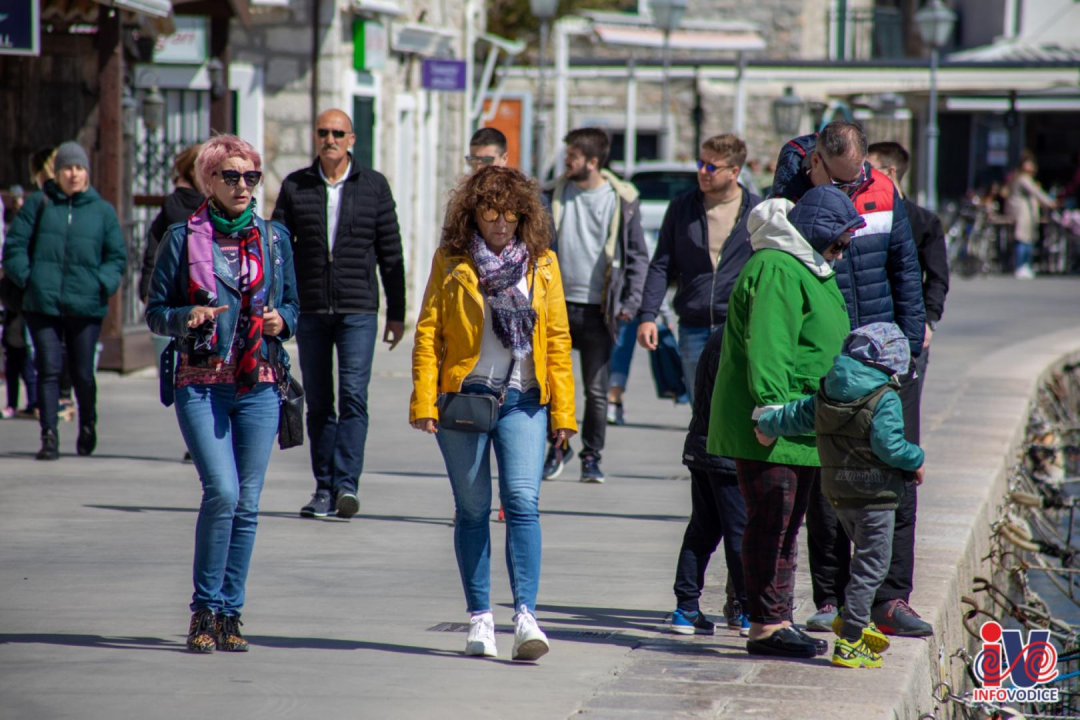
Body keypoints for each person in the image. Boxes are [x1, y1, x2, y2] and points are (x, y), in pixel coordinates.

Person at [410, 166, 576, 661]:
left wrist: (564, 413)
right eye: (490, 213)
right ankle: (480, 618)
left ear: (524, 215)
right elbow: (427, 332)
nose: (500, 224)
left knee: (522, 502)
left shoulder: (542, 264)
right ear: (472, 213)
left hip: (525, 400)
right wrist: (423, 401)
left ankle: (526, 615)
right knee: (474, 509)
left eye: (510, 214)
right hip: (464, 399)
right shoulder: (452, 260)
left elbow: (558, 340)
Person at [772, 121, 931, 637]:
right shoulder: (793, 196)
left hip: (886, 356)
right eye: (837, 180)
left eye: (856, 175)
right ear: (815, 161)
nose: (849, 186)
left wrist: (907, 345)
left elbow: (905, 267)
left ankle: (892, 598)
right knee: (827, 479)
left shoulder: (882, 188)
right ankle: (832, 595)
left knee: (897, 473)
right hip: (831, 356)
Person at [146, 134, 300, 654]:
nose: (241, 185)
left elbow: (294, 305)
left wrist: (284, 321)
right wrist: (182, 317)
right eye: (230, 176)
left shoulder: (274, 239)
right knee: (224, 494)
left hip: (258, 384)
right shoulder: (181, 238)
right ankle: (203, 610)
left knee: (249, 504)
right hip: (201, 382)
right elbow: (155, 311)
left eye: (251, 176)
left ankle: (230, 614)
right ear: (208, 180)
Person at [708, 185, 862, 659]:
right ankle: (766, 625)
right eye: (837, 243)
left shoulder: (804, 264)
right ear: (816, 233)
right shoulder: (778, 267)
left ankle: (777, 618)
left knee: (785, 523)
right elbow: (770, 342)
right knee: (771, 520)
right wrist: (771, 411)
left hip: (801, 420)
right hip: (775, 421)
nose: (841, 253)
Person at [756, 322, 926, 669]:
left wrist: (765, 426)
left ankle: (850, 613)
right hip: (874, 494)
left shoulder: (828, 391)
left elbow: (796, 415)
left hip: (837, 494)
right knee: (871, 565)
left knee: (862, 558)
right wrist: (917, 458)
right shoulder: (885, 398)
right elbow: (889, 446)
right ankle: (850, 639)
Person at [273, 108, 406, 519]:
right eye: (322, 132)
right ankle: (323, 488)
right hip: (311, 309)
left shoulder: (374, 186)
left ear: (351, 140)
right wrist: (278, 307)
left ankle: (347, 485)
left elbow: (391, 253)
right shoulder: (296, 185)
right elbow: (277, 249)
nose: (329, 139)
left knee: (352, 397)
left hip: (358, 310)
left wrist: (396, 313)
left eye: (337, 133)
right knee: (319, 402)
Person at [2, 141, 126, 460]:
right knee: (48, 368)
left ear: (87, 172)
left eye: (79, 168)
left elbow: (116, 257)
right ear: (56, 173)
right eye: (68, 168)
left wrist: (102, 283)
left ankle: (87, 423)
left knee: (83, 372)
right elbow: (14, 247)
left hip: (86, 304)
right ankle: (49, 435)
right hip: (42, 303)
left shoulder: (102, 211)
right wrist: (29, 279)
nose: (74, 174)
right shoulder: (39, 204)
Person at [541, 128, 648, 483]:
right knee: (549, 385)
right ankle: (557, 448)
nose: (566, 162)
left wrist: (630, 305)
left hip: (600, 310)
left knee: (596, 391)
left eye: (572, 156)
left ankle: (592, 456)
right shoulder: (552, 194)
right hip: (555, 306)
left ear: (592, 161)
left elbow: (637, 257)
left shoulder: (621, 200)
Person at [637, 134, 760, 402]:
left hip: (739, 328)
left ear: (734, 172)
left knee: (735, 408)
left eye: (712, 167)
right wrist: (648, 315)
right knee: (700, 411)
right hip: (693, 327)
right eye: (700, 163)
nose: (702, 171)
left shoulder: (758, 211)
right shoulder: (682, 208)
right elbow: (661, 265)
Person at [668, 322, 749, 638]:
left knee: (702, 530)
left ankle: (686, 608)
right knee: (739, 533)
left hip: (703, 449)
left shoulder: (719, 334)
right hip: (726, 453)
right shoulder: (743, 339)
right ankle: (749, 611)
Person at [867, 142, 950, 397]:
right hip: (868, 330)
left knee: (903, 413)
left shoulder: (925, 222)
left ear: (890, 172)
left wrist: (928, 320)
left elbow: (937, 278)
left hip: (908, 330)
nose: (862, 175)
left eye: (868, 168)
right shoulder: (863, 214)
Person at [139, 144, 205, 303]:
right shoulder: (176, 206)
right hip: (181, 292)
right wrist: (148, 285)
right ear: (192, 171)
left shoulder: (216, 203)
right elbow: (155, 247)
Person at [1006, 156, 1057, 279]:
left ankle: (1025, 265)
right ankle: (1020, 266)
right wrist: (1050, 202)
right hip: (1023, 214)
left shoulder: (1025, 179)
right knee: (1023, 240)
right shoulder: (1023, 179)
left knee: (1027, 240)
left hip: (1028, 214)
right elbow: (1036, 192)